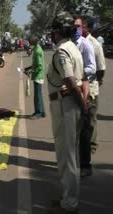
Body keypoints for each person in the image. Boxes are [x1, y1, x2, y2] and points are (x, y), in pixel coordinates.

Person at [47, 11, 85, 214]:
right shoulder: (73, 48)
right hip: (70, 104)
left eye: (54, 31)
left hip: (65, 106)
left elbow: (70, 80)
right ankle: (67, 197)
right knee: (70, 154)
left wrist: (83, 106)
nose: (52, 35)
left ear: (58, 32)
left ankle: (70, 202)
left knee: (67, 155)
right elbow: (80, 78)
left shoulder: (62, 51)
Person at [73, 17, 97, 178]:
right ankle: (75, 162)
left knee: (84, 130)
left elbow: (92, 67)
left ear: (83, 27)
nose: (75, 29)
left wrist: (77, 74)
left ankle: (86, 164)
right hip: (70, 91)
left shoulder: (86, 44)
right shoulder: (70, 44)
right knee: (73, 129)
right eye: (73, 26)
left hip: (85, 90)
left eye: (78, 26)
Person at [81, 16, 106, 156]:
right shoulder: (77, 42)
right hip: (79, 87)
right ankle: (83, 142)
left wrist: (98, 82)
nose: (80, 28)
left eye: (83, 26)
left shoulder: (95, 44)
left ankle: (92, 144)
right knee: (81, 118)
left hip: (91, 86)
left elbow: (101, 68)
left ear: (89, 28)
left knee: (91, 117)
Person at [24, 34, 46, 119]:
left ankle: (38, 113)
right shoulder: (36, 48)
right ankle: (42, 112)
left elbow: (39, 66)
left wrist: (31, 71)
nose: (29, 43)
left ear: (33, 41)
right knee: (39, 94)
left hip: (38, 75)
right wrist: (29, 68)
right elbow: (36, 64)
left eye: (30, 41)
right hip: (37, 74)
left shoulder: (37, 51)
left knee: (37, 95)